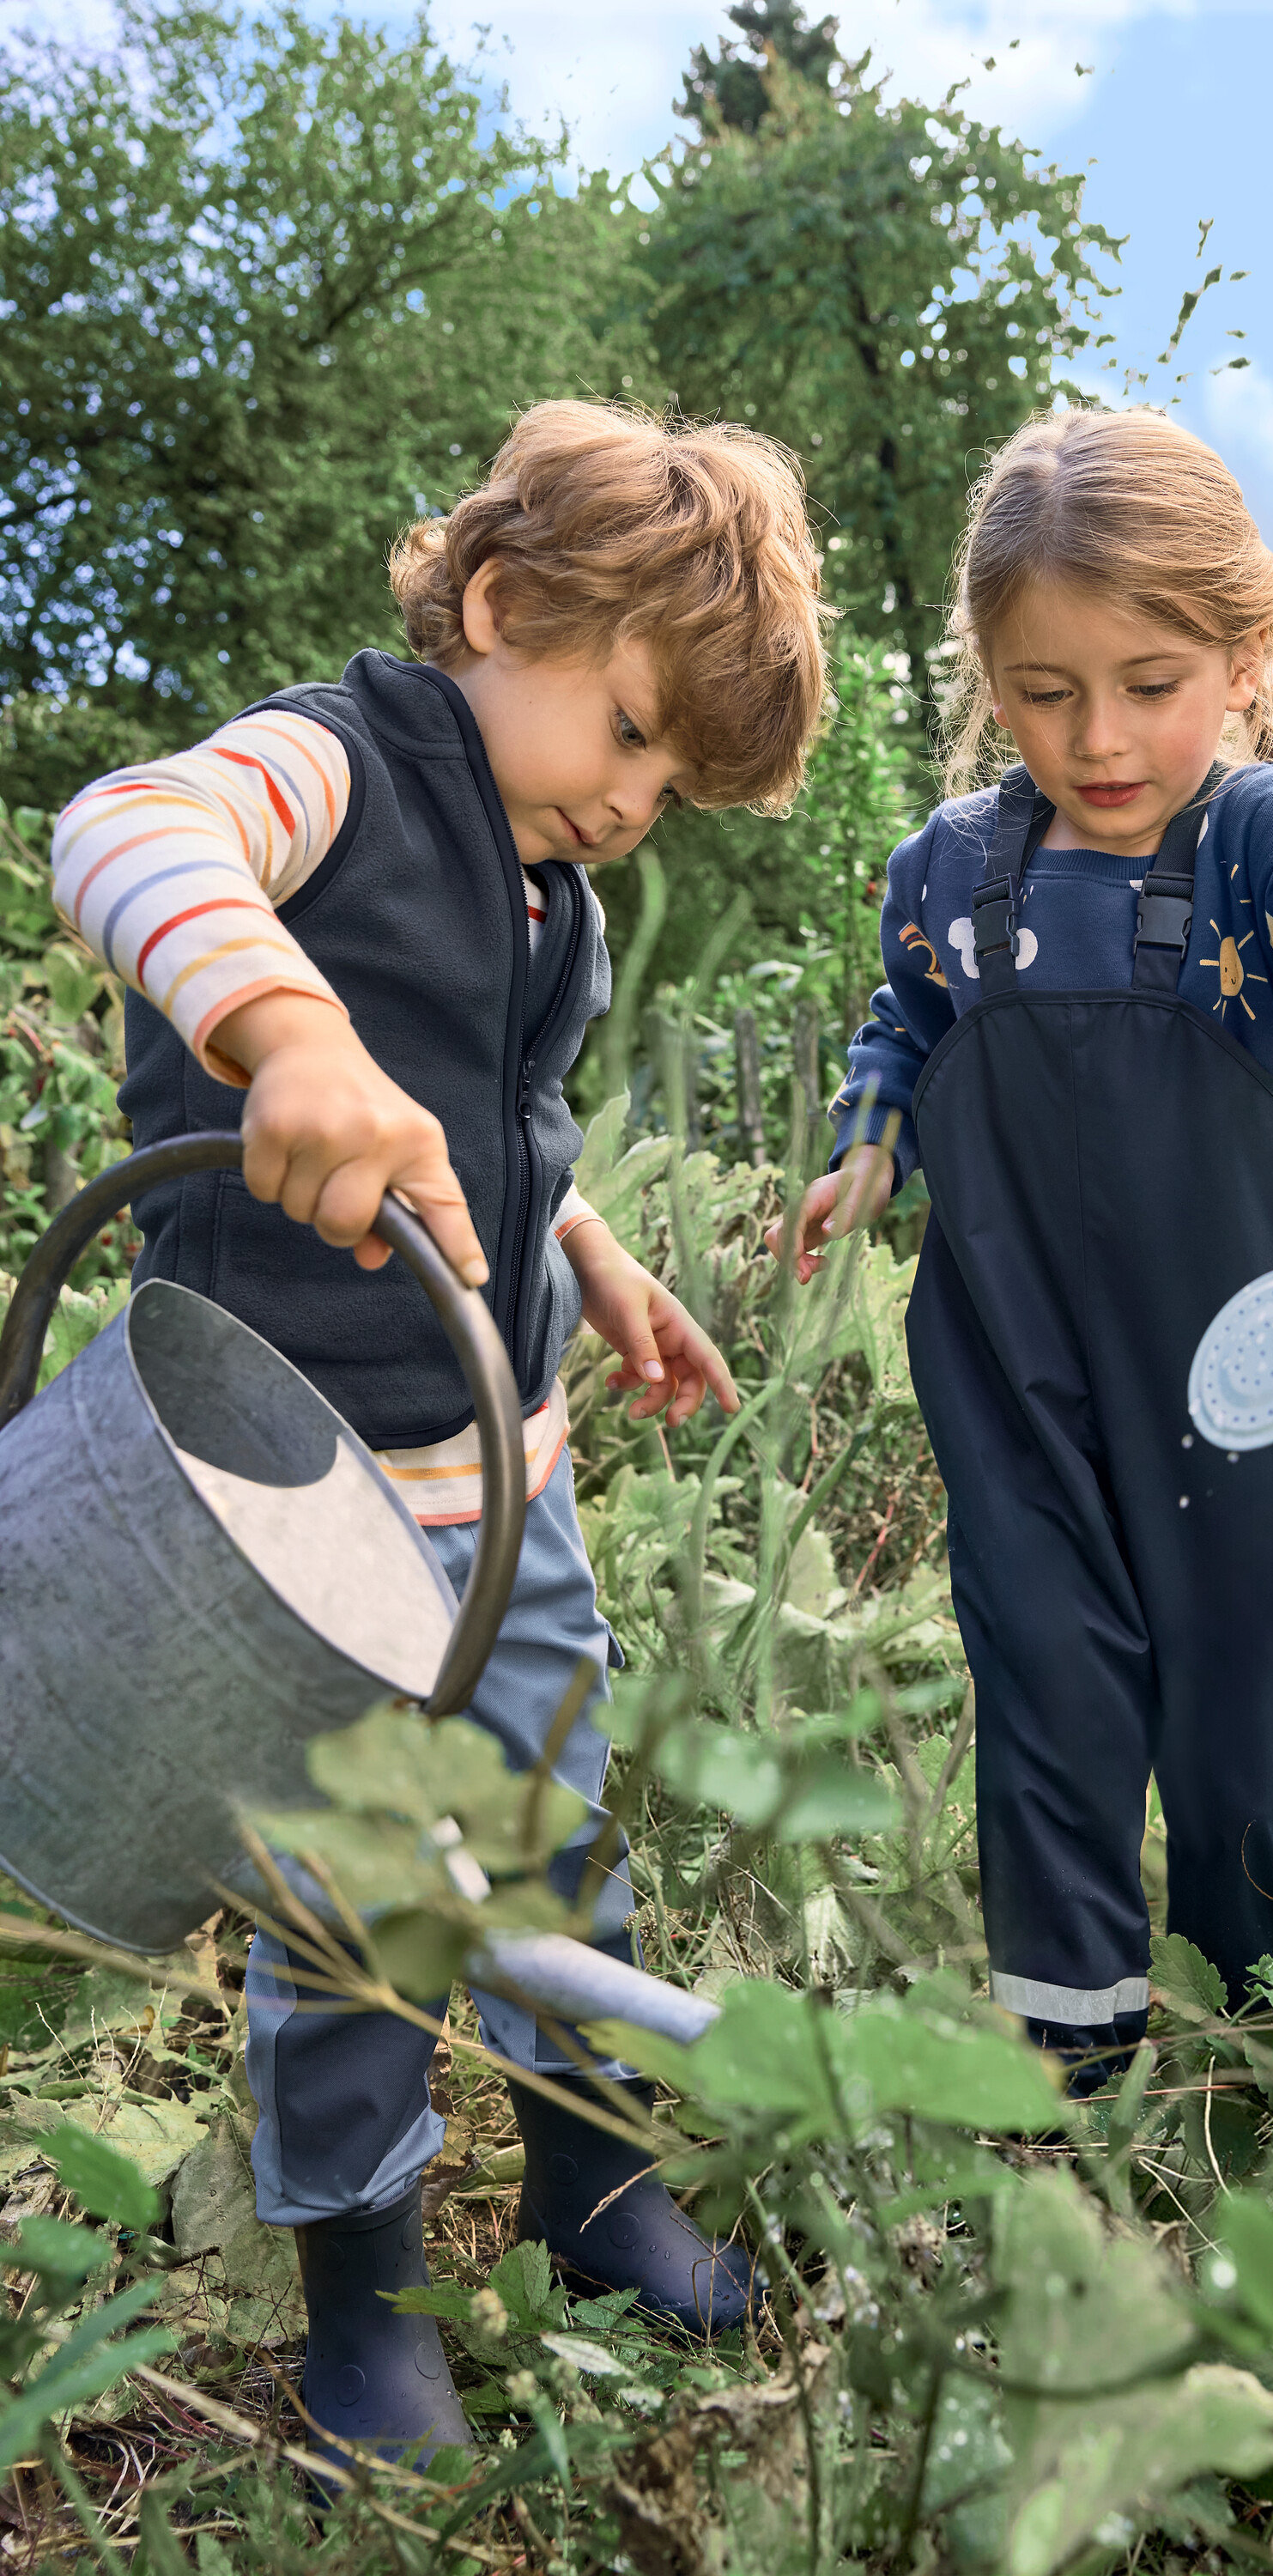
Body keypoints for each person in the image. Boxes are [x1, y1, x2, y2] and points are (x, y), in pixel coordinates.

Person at [51, 401, 827, 2456]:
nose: (641, 800)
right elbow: (125, 829)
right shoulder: (343, 762)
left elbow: (491, 1129)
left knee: (561, 1840)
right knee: (360, 1901)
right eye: (634, 731)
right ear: (501, 606)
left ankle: (596, 2185)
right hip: (282, 1520)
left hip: (506, 1494)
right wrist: (281, 1027)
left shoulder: (547, 894)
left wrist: (594, 1255)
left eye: (675, 779)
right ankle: (363, 2297)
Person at [770, 406, 1273, 2089]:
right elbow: (904, 1024)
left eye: (1147, 684)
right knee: (1048, 1677)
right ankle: (1072, 2054)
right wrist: (865, 1145)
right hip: (1017, 1366)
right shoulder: (945, 870)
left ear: (1243, 660)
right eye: (1042, 691)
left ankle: (1257, 2026)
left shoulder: (1247, 839)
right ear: (986, 670)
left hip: (1252, 1368)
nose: (1096, 738)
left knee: (1257, 1684)